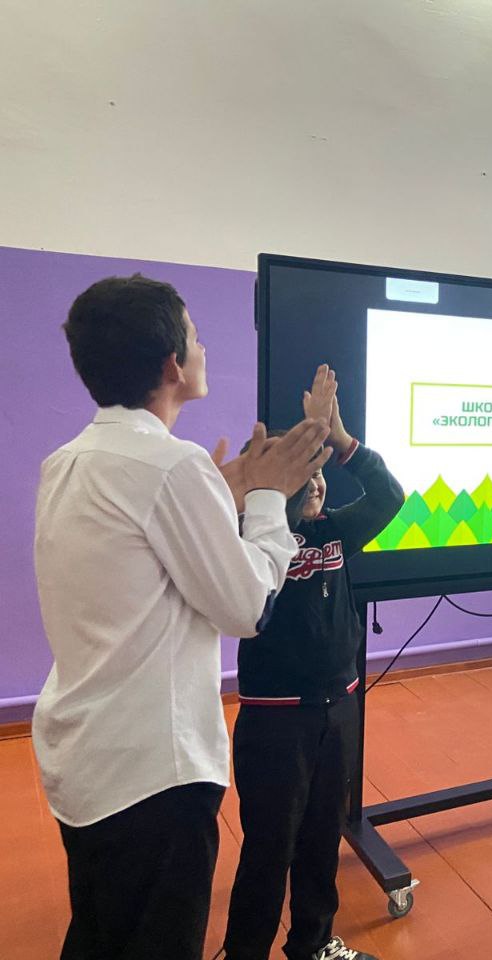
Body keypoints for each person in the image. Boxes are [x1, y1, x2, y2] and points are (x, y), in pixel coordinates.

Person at [33, 274, 334, 960]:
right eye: (196, 338)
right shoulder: (171, 466)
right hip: (153, 773)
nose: (203, 349)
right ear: (172, 365)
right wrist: (268, 500)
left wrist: (221, 500)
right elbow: (247, 607)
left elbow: (141, 567)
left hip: (86, 759)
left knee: (103, 932)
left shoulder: (69, 461)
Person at [221, 371, 404, 960]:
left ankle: (314, 944)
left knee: (323, 839)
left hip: (338, 709)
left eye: (320, 470)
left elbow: (389, 496)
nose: (318, 482)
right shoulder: (249, 541)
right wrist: (260, 495)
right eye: (304, 472)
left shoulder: (335, 531)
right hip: (276, 721)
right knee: (269, 849)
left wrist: (344, 441)